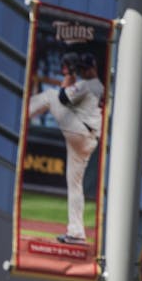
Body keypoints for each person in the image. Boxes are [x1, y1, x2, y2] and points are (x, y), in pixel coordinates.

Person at [27, 50, 104, 245]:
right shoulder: (99, 86)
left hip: (81, 132)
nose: (85, 71)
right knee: (75, 186)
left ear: (93, 68)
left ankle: (22, 115)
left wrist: (69, 75)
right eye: (82, 69)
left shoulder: (88, 85)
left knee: (50, 95)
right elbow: (71, 103)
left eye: (86, 68)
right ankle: (76, 233)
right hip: (87, 138)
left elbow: (62, 98)